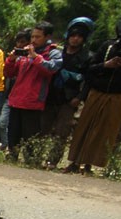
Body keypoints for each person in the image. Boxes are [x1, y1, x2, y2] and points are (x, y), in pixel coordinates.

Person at [64, 10, 121, 175]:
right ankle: (74, 162)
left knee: (105, 130)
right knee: (84, 126)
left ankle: (89, 164)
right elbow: (90, 69)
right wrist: (106, 65)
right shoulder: (109, 45)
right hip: (97, 91)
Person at [3, 21, 62, 161]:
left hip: (34, 101)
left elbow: (51, 69)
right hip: (17, 99)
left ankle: (30, 160)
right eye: (33, 37)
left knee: (30, 135)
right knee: (13, 133)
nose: (34, 40)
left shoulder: (53, 53)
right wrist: (11, 60)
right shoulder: (25, 52)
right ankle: (12, 156)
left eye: (38, 37)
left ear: (47, 37)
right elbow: (9, 73)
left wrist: (36, 57)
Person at [41, 17, 94, 169]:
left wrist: (79, 97)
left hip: (69, 99)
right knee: (42, 128)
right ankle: (36, 156)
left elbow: (88, 81)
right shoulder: (56, 52)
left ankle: (52, 161)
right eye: (73, 35)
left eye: (79, 36)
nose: (75, 39)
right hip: (50, 95)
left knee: (62, 131)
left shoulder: (87, 57)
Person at [0, 29, 31, 149]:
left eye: (23, 42)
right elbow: (7, 73)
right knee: (2, 123)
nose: (20, 45)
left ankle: (11, 148)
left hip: (26, 99)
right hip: (11, 96)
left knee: (21, 129)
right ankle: (6, 145)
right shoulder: (15, 58)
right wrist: (11, 60)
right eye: (18, 42)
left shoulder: (33, 58)